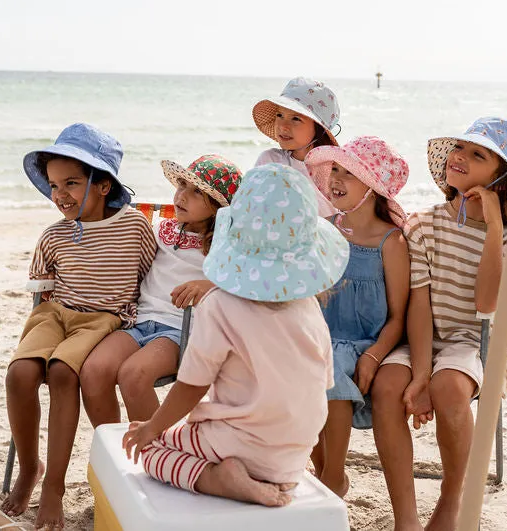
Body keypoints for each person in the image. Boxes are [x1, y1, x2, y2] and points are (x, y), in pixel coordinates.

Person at [121, 164, 349, 506]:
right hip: (290, 456)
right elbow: (321, 382)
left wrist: (153, 427)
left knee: (153, 453)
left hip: (235, 442)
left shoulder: (219, 304)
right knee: (176, 436)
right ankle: (249, 476)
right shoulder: (308, 308)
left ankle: (220, 479)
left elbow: (193, 385)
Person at [371, 117, 507, 531]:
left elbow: (486, 304)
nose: (460, 157)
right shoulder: (424, 224)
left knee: (449, 386)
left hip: (474, 343)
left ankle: (452, 500)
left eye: (478, 154)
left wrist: (494, 226)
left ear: (501, 178)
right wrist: (419, 375)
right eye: (459, 147)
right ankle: (405, 518)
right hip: (421, 338)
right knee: (387, 386)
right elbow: (418, 305)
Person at [2, 123, 155, 529]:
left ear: (103, 185)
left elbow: (151, 280)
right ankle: (29, 467)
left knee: (62, 371)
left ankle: (54, 485)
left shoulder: (134, 227)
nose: (59, 194)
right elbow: (42, 292)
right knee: (19, 373)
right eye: (53, 185)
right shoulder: (53, 235)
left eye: (71, 182)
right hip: (56, 313)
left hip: (103, 320)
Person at [79, 154, 242, 423]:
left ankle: (155, 454)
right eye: (181, 187)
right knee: (93, 370)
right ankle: (113, 452)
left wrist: (210, 285)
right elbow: (125, 255)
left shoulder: (225, 245)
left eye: (196, 192)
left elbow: (243, 283)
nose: (181, 196)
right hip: (138, 321)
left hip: (181, 330)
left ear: (217, 206)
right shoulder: (159, 229)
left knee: (133, 374)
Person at [304, 136, 411, 497]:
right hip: (319, 331)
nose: (334, 178)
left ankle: (333, 474)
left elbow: (398, 316)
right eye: (333, 169)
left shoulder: (391, 242)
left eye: (347, 172)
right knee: (295, 367)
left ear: (373, 186)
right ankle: (321, 469)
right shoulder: (325, 228)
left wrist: (373, 355)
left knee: (330, 370)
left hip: (362, 341)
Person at [251, 77, 341, 216]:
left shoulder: (334, 170)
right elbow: (250, 206)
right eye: (279, 115)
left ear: (319, 128)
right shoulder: (270, 161)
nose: (283, 126)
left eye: (296, 118)